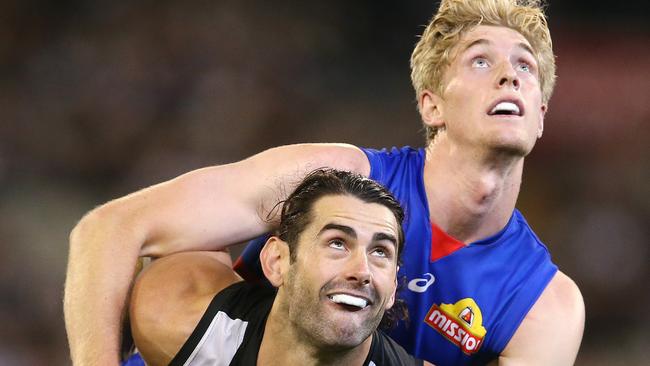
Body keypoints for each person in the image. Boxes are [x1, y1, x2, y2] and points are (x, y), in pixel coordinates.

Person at [64, 0, 585, 365]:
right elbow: (109, 228)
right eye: (480, 60)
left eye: (525, 66)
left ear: (540, 114)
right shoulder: (337, 175)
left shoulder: (546, 306)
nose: (509, 75)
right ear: (432, 104)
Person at [127, 169, 422, 365]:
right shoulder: (174, 316)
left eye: (381, 251)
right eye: (337, 243)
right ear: (276, 260)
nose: (362, 270)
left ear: (394, 286)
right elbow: (119, 231)